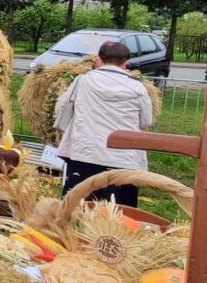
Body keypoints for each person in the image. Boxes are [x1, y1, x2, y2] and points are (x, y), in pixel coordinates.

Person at [54, 41, 153, 207]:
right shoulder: (138, 88)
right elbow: (146, 120)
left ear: (99, 59)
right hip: (123, 158)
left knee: (76, 209)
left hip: (85, 153)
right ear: (126, 62)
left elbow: (62, 107)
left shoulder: (82, 81)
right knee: (120, 212)